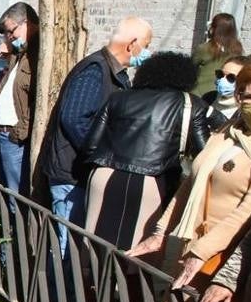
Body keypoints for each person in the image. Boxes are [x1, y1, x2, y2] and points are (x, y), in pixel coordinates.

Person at [129, 62, 251, 292]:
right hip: (190, 247)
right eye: (249, 98)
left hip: (223, 258)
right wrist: (161, 232)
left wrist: (203, 251)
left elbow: (247, 211)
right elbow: (191, 182)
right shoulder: (230, 130)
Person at [79, 52, 210, 250]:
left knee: (93, 248)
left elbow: (90, 145)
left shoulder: (118, 98)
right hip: (152, 181)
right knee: (138, 254)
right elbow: (205, 154)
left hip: (104, 175)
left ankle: (91, 281)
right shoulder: (191, 104)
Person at [42, 17, 152, 229]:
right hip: (71, 175)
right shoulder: (95, 70)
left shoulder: (115, 74)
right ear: (132, 44)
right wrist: (102, 154)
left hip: (82, 173)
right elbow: (74, 119)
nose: (148, 53)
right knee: (67, 247)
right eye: (146, 46)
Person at [0, 2, 39, 196]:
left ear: (26, 23)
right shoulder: (19, 54)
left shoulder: (37, 56)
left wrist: (18, 132)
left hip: (15, 139)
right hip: (2, 135)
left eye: (12, 31)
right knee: (3, 195)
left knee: (15, 198)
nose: (10, 37)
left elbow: (34, 101)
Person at [191, 14, 245, 97]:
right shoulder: (238, 49)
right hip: (224, 94)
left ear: (214, 29)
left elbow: (191, 67)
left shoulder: (204, 48)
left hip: (200, 94)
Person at [203, 56, 246, 129]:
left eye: (231, 78)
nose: (223, 80)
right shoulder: (208, 98)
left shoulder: (244, 113)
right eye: (220, 74)